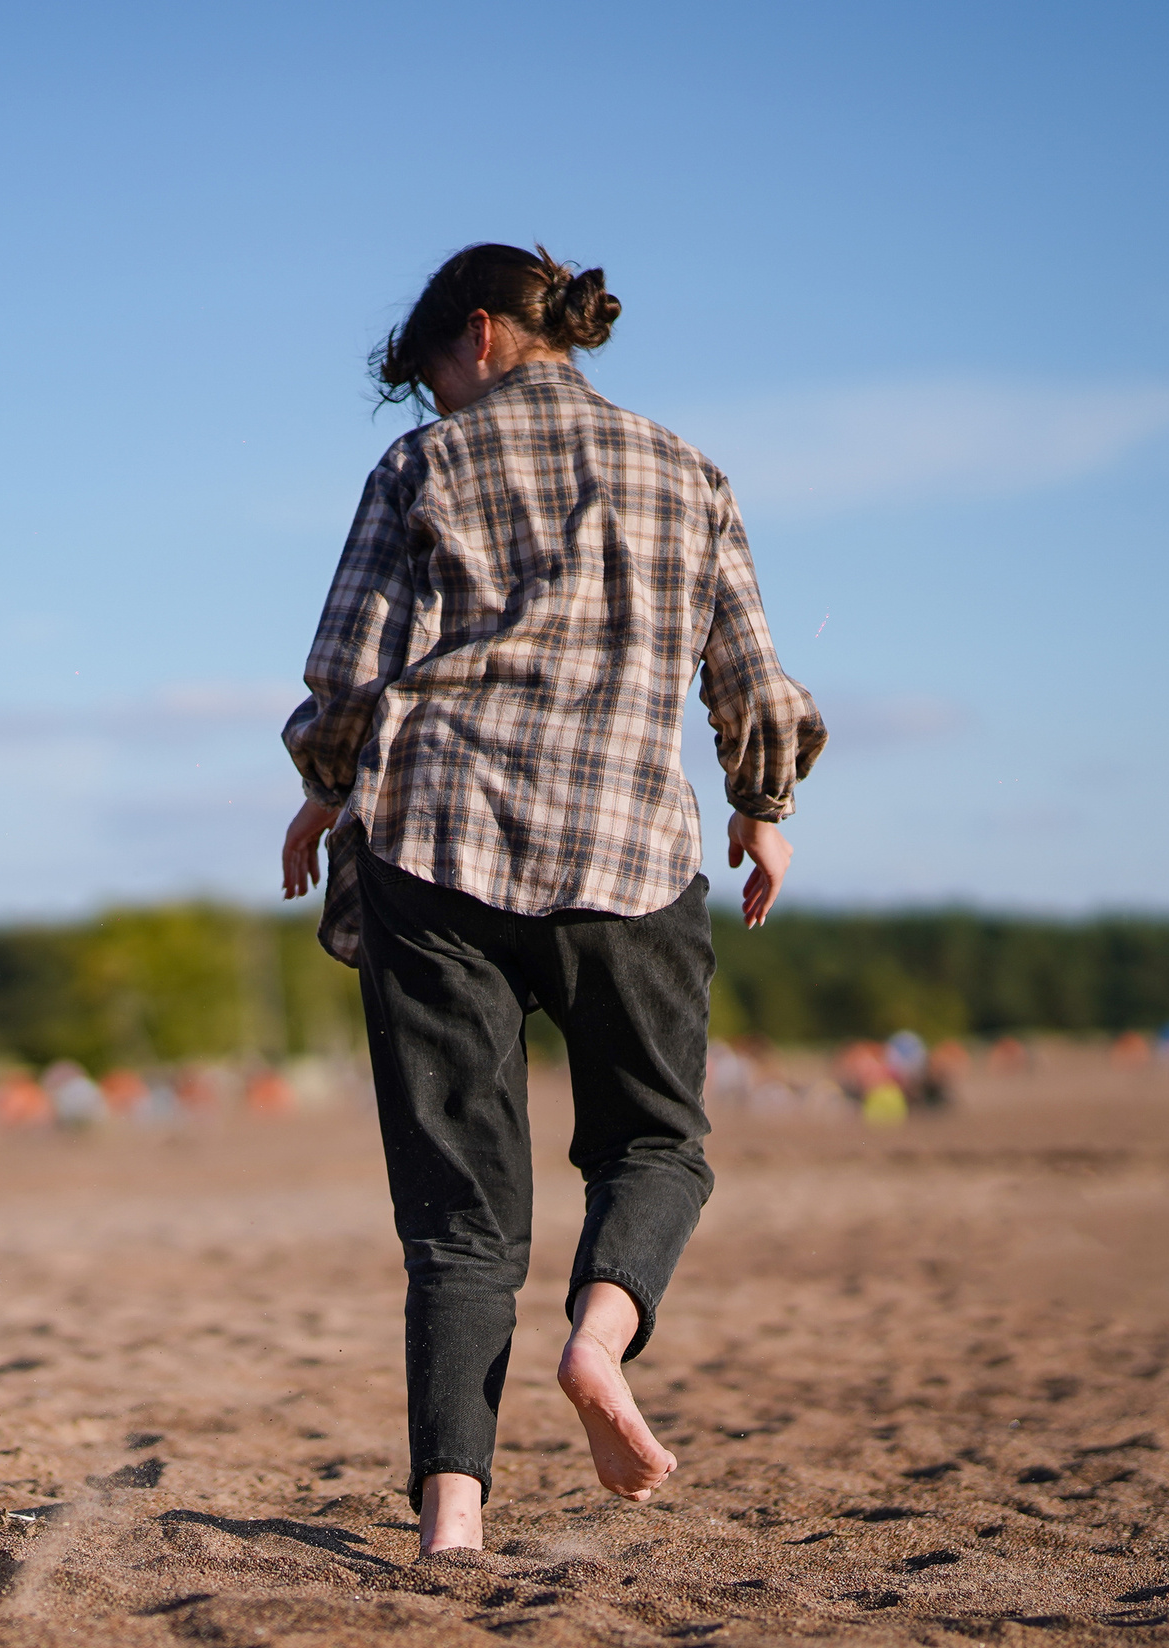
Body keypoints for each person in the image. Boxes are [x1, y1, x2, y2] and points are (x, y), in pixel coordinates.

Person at [280, 244, 825, 1558]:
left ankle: (452, 1514)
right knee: (654, 1141)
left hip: (438, 851)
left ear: (481, 333)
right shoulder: (688, 468)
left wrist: (324, 780)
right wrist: (765, 805)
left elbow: (350, 672)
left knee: (460, 1213)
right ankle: (598, 1339)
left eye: (435, 381)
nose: (435, 410)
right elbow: (749, 671)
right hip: (629, 856)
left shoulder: (424, 468)